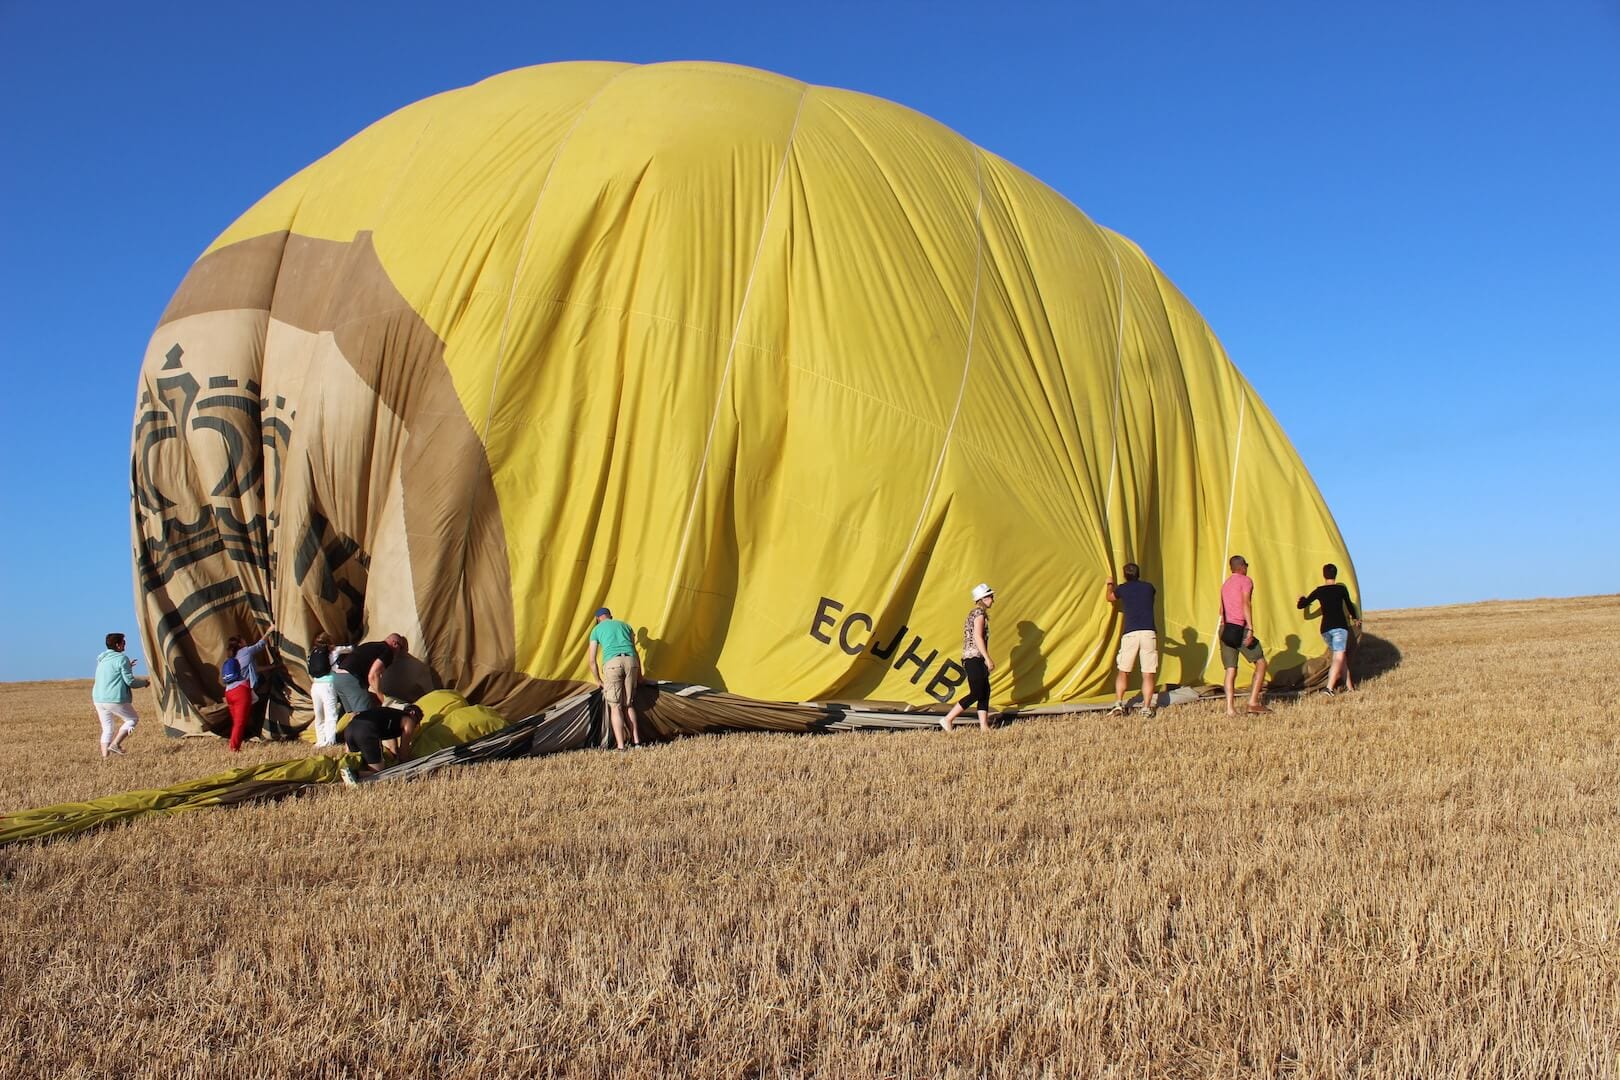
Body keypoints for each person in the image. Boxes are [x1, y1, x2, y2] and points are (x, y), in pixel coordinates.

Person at [939, 583, 996, 732]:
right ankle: (948, 718)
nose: (992, 599)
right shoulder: (979, 614)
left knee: (984, 691)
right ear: (982, 599)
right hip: (974, 658)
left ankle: (984, 726)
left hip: (975, 658)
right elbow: (978, 637)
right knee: (977, 692)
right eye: (989, 596)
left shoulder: (974, 614)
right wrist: (987, 658)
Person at [1297, 563, 1361, 695]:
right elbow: (1349, 604)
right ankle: (1329, 688)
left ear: (1324, 575)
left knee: (1340, 657)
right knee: (1338, 658)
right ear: (1335, 574)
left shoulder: (1319, 590)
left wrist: (1302, 600)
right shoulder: (1341, 589)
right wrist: (1355, 618)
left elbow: (1302, 605)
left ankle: (1350, 688)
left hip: (1325, 629)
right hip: (1339, 628)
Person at [1218, 556, 1269, 716]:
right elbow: (1246, 603)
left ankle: (1230, 708)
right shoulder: (1246, 581)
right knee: (1261, 663)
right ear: (1241, 567)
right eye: (1246, 565)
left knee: (1231, 669)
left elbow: (1221, 610)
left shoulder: (1225, 585)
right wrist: (1251, 628)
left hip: (1225, 628)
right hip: (1240, 627)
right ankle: (1253, 702)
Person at [1106, 564, 1159, 719]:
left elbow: (1110, 598)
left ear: (1124, 575)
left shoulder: (1123, 589)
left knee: (1124, 670)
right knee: (1148, 673)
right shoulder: (1149, 587)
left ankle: (1119, 703)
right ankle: (1146, 708)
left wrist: (1110, 584)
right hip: (1148, 631)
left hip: (1131, 633)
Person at [587, 608, 644, 750]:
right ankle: (637, 743)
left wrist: (598, 680)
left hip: (613, 664)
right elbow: (635, 652)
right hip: (631, 662)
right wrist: (640, 676)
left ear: (597, 618)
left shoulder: (596, 630)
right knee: (628, 704)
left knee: (616, 706)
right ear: (610, 616)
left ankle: (621, 746)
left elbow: (592, 660)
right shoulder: (625, 626)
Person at [92, 632, 149, 757]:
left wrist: (128, 666)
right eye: (124, 642)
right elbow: (130, 681)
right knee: (132, 719)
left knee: (107, 728)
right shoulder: (122, 658)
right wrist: (145, 682)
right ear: (118, 645)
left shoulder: (102, 658)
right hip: (113, 698)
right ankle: (115, 744)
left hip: (97, 698)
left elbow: (112, 671)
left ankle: (105, 758)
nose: (125, 644)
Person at [338, 703, 424, 785]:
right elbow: (404, 752)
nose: (416, 725)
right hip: (366, 730)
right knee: (379, 772)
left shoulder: (392, 716)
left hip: (350, 728)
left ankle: (341, 772)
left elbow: (393, 748)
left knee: (353, 761)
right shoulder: (409, 720)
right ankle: (354, 774)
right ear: (413, 714)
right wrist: (410, 766)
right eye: (418, 721)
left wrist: (394, 756)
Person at [222, 624, 275, 751]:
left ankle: (237, 742)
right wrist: (269, 631)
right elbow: (260, 645)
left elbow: (254, 669)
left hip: (229, 692)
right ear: (240, 643)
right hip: (241, 691)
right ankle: (234, 748)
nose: (246, 641)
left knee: (237, 722)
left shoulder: (233, 658)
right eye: (243, 640)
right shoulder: (245, 651)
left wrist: (273, 667)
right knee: (240, 723)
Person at [331, 633, 405, 715]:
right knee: (366, 717)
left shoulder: (371, 645)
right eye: (401, 648)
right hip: (350, 679)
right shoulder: (387, 651)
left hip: (337, 677)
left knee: (354, 715)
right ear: (395, 643)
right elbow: (373, 675)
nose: (400, 652)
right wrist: (383, 700)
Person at [306, 631, 353, 747]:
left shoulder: (313, 652)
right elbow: (351, 649)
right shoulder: (335, 651)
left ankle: (320, 740)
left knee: (319, 714)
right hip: (328, 685)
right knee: (331, 713)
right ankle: (330, 741)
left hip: (315, 685)